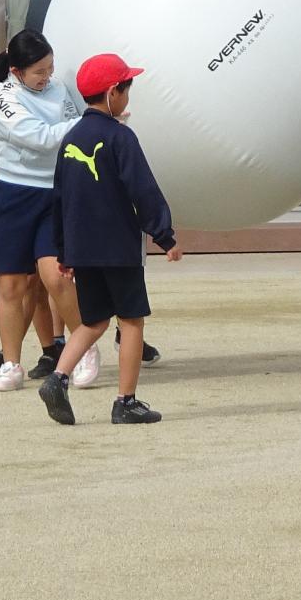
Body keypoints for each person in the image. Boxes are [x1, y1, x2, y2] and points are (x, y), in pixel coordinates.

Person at [38, 54, 181, 426]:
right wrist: (165, 236)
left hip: (82, 249)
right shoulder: (120, 136)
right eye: (127, 87)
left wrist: (64, 251)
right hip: (118, 248)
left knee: (93, 321)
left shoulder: (70, 140)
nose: (127, 95)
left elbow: (60, 199)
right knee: (131, 321)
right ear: (113, 92)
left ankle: (58, 378)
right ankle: (126, 401)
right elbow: (143, 190)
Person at [0, 29, 98, 392]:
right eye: (39, 71)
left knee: (56, 276)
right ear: (16, 71)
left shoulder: (58, 91)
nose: (47, 77)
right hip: (15, 194)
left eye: (50, 68)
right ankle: (11, 364)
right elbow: (40, 138)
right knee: (12, 284)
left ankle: (85, 348)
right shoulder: (3, 97)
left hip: (56, 194)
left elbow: (68, 131)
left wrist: (81, 124)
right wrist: (87, 122)